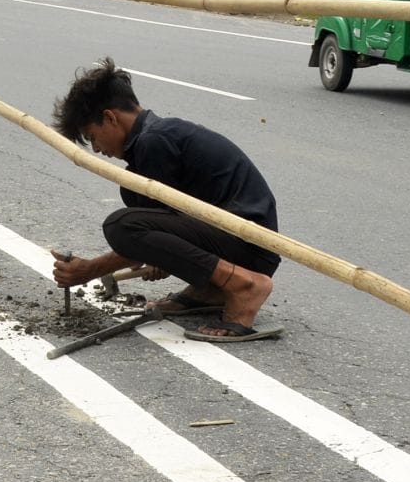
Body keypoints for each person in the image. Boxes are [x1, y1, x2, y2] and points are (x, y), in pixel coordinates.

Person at [49, 59, 282, 344]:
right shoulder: (150, 144)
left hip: (251, 246)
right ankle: (211, 290)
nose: (97, 149)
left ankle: (244, 286)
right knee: (132, 201)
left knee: (120, 226)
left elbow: (142, 232)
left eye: (93, 137)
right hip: (242, 244)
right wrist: (158, 255)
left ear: (110, 118)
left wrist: (91, 269)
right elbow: (161, 233)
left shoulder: (154, 141)